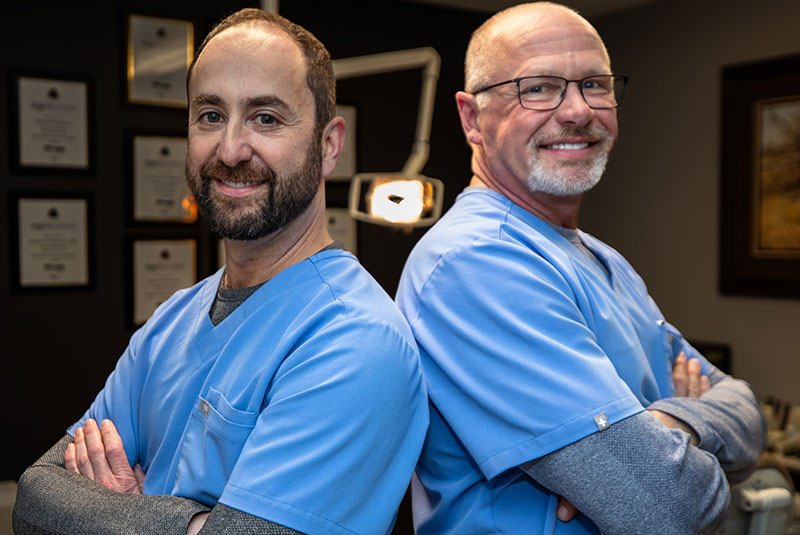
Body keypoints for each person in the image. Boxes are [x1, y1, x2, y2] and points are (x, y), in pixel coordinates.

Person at [14, 9, 428, 535]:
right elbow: (32, 498)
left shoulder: (357, 341)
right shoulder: (172, 322)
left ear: (328, 146)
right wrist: (192, 525)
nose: (231, 150)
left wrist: (113, 515)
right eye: (210, 115)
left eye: (266, 118)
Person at [395, 2, 766, 534]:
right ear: (472, 118)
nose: (576, 111)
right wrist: (677, 441)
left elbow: (747, 410)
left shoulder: (602, 258)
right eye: (539, 87)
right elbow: (667, 505)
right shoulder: (476, 265)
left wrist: (673, 422)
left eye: (595, 84)